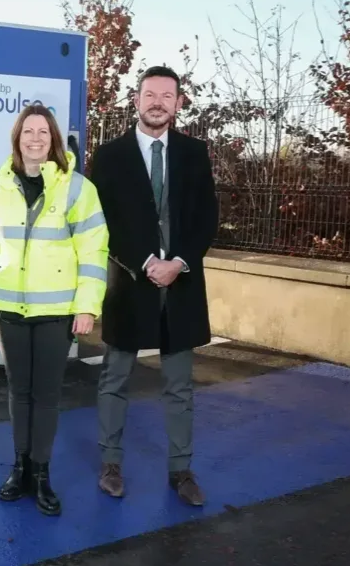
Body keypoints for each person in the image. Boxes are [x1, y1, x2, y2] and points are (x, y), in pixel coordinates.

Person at [0, 103, 109, 516]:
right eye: (29, 131)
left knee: (45, 396)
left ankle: (42, 474)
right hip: (8, 306)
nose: (36, 139)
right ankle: (20, 468)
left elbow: (94, 251)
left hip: (57, 310)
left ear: (54, 139)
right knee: (18, 391)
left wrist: (87, 308)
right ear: (17, 138)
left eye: (44, 132)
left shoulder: (78, 188)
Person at [88, 65, 219, 507]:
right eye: (150, 94)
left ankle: (181, 471)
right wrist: (146, 261)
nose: (158, 101)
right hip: (130, 283)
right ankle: (110, 464)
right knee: (115, 379)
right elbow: (102, 222)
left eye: (167, 95)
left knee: (180, 386)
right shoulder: (108, 157)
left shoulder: (195, 153)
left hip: (180, 288)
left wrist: (178, 262)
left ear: (178, 103)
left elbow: (206, 219)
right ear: (137, 99)